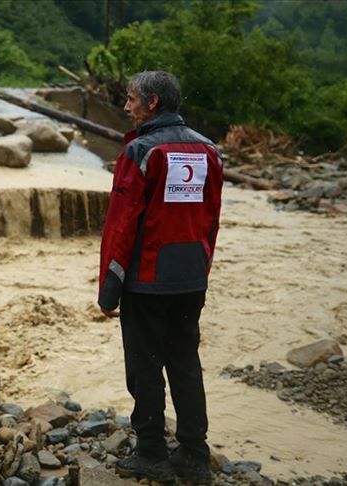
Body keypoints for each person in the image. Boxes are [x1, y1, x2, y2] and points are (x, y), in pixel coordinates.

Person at [97, 71, 223, 484]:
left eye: (132, 99)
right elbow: (211, 221)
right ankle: (194, 455)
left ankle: (151, 453)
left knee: (145, 367)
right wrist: (201, 270)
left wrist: (109, 289)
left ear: (152, 104)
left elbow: (121, 225)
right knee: (186, 362)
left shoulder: (141, 151)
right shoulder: (209, 151)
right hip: (191, 278)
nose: (127, 106)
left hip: (148, 279)